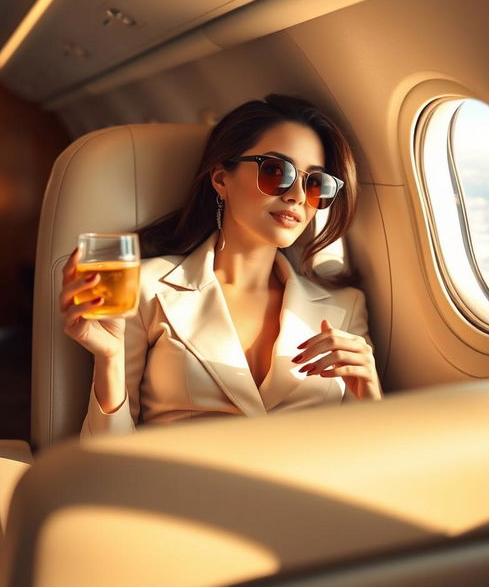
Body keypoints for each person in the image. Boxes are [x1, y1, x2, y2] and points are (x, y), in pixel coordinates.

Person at [61, 94, 382, 437]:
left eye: (314, 184)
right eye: (276, 171)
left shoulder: (345, 306)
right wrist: (108, 358)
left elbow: (366, 458)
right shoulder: (144, 289)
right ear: (221, 179)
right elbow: (110, 460)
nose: (297, 196)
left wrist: (370, 394)